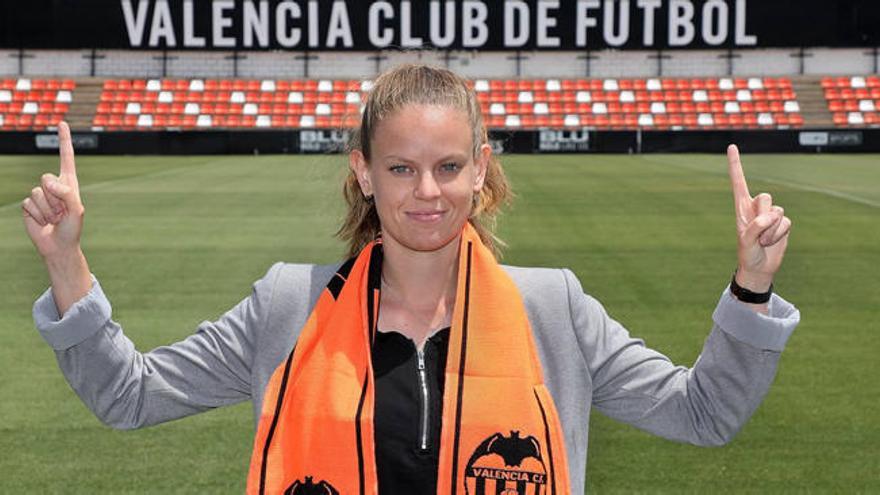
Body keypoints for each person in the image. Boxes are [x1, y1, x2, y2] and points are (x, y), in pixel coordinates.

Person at [23, 64, 799, 495]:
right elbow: (128, 396)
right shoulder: (288, 307)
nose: (427, 192)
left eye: (448, 166)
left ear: (480, 171)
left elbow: (705, 413)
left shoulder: (551, 308)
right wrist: (65, 261)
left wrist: (752, 291)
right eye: (401, 167)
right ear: (363, 172)